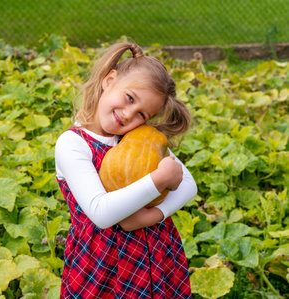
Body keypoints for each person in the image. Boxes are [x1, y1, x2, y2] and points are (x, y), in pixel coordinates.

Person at [55, 42, 197, 298]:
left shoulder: (136, 136)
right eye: (129, 98)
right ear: (109, 80)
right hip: (99, 263)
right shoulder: (73, 143)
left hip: (151, 255)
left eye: (142, 114)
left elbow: (188, 184)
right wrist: (157, 180)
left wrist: (147, 217)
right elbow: (101, 213)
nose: (128, 114)